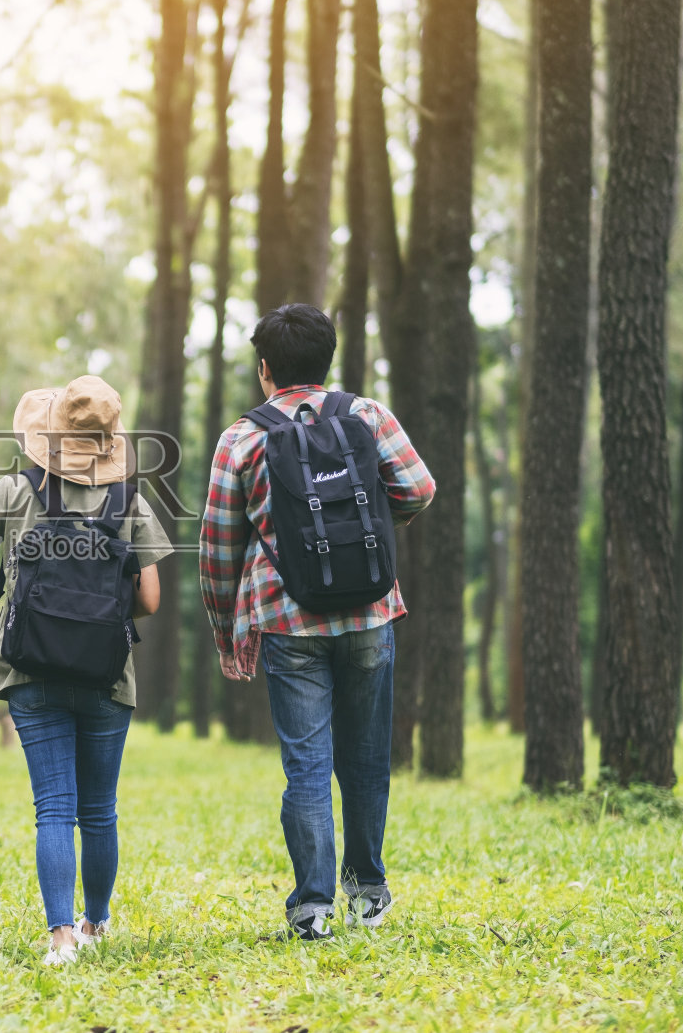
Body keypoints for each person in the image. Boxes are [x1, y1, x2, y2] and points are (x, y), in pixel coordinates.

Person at [0, 376, 172, 966]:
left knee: (54, 806)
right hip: (108, 676)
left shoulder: (18, 492)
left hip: (30, 673)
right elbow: (149, 601)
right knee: (99, 809)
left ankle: (60, 941)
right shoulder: (132, 502)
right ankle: (95, 924)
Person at [200, 304, 435, 941]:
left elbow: (219, 547)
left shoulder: (241, 439)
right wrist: (377, 527)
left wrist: (229, 633)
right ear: (328, 360)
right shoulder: (367, 415)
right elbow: (419, 488)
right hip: (369, 610)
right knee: (365, 759)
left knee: (306, 766)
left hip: (285, 619)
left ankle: (313, 908)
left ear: (264, 369)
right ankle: (370, 890)